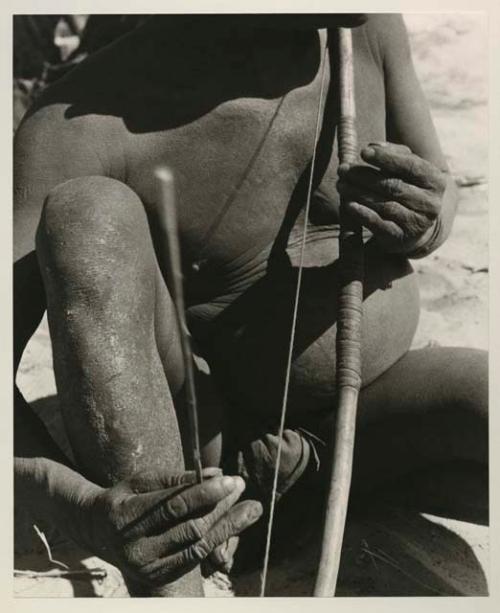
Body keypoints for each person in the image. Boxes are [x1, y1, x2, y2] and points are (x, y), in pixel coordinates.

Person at [14, 14, 488, 597]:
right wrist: (82, 507)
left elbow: (439, 186)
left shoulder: (365, 32)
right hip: (204, 473)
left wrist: (428, 221)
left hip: (363, 428)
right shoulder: (77, 128)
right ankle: (172, 582)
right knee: (88, 216)